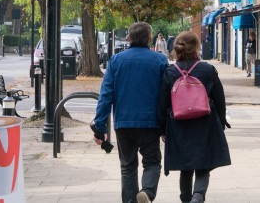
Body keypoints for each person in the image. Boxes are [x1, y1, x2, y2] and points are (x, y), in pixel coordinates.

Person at [93, 22, 169, 203]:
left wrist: (99, 126)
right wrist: (166, 126)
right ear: (149, 38)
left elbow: (106, 94)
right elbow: (166, 95)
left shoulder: (116, 61)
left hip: (123, 122)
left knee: (127, 166)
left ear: (128, 38)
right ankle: (148, 193)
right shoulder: (159, 61)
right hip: (150, 123)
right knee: (152, 162)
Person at [158, 31, 231, 203]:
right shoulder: (207, 69)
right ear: (196, 47)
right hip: (205, 122)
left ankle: (185, 198)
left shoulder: (169, 72)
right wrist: (220, 122)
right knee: (204, 163)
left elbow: (162, 103)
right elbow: (220, 98)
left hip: (178, 124)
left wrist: (162, 129)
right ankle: (198, 196)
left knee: (186, 166)